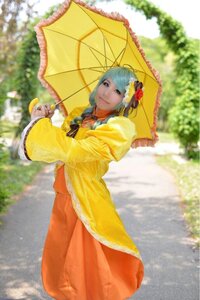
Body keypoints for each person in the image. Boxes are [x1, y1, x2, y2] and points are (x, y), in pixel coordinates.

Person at [19, 66, 144, 300]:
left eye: (117, 91)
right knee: (62, 266)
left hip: (87, 203)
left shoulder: (119, 128)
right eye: (105, 83)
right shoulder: (79, 114)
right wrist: (45, 121)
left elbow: (75, 151)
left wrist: (40, 127)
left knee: (83, 272)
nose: (107, 93)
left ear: (124, 100)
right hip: (64, 199)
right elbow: (57, 152)